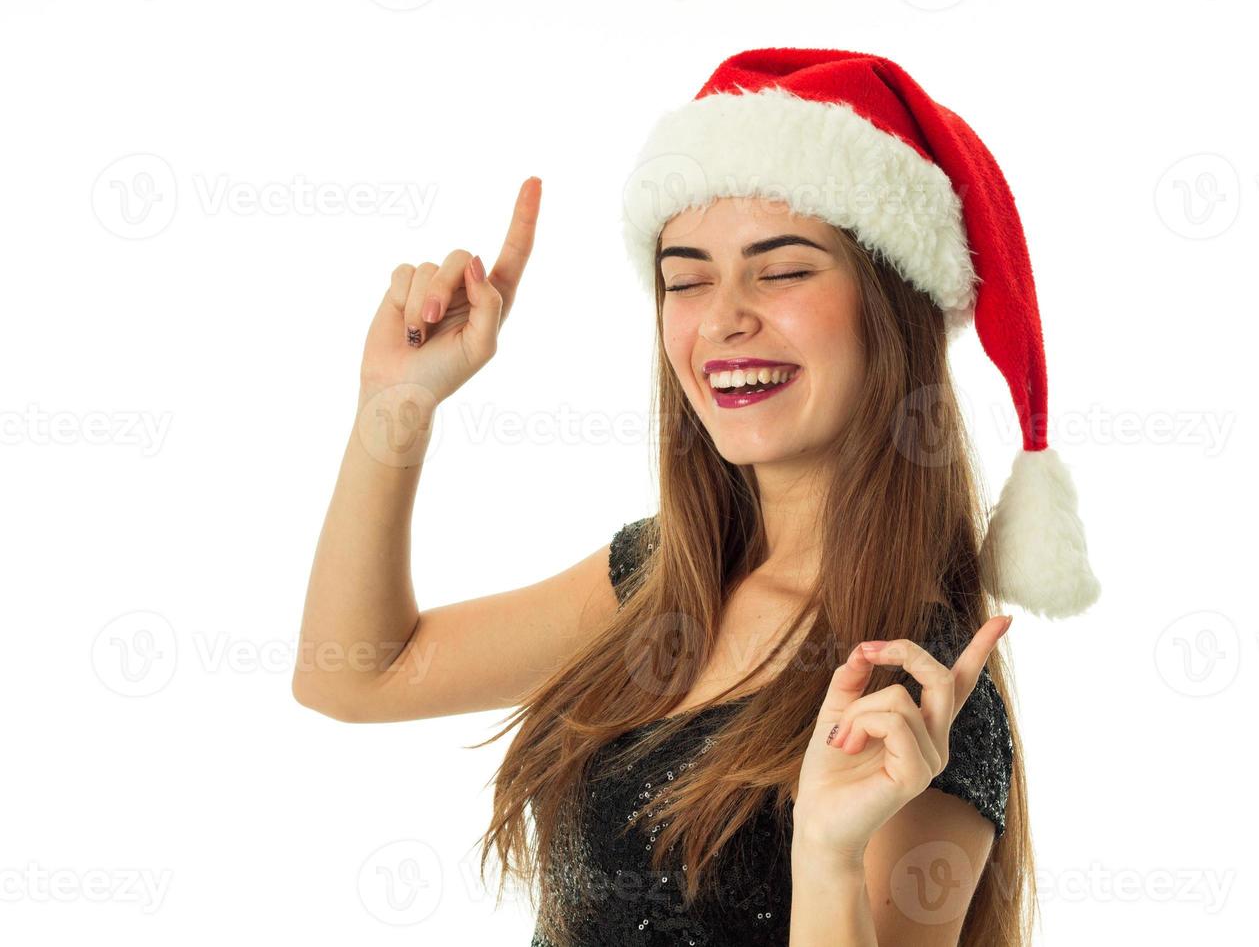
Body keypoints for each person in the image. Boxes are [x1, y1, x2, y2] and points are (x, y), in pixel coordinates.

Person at [292, 48, 1099, 947]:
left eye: (783, 270)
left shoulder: (918, 685)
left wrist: (828, 857)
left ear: (891, 307)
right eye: (686, 278)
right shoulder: (657, 580)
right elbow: (351, 673)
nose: (722, 318)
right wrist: (394, 408)